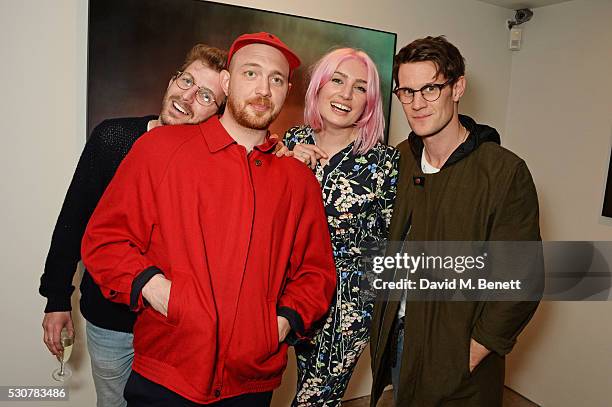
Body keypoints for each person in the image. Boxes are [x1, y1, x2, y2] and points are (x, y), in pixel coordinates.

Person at [81, 32, 336, 407]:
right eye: (251, 73)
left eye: (276, 79)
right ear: (227, 82)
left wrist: (280, 323)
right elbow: (105, 239)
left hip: (250, 382)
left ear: (286, 91)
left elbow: (316, 274)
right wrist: (161, 293)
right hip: (166, 372)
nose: (264, 88)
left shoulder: (298, 181)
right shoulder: (159, 150)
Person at [39, 43, 227, 406]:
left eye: (204, 95)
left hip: (176, 328)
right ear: (172, 79)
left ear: (218, 112)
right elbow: (73, 220)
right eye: (186, 80)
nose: (186, 97)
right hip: (111, 323)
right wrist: (56, 298)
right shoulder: (114, 138)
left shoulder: (213, 165)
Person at [369, 36, 541, 406]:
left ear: (457, 87)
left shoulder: (504, 172)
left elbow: (522, 280)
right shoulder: (400, 161)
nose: (417, 104)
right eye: (406, 92)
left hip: (460, 358)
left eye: (430, 89)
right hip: (401, 343)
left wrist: (470, 354)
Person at [282, 48, 399, 406]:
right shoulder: (288, 143)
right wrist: (284, 166)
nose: (346, 95)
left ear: (370, 102)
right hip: (283, 291)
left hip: (344, 306)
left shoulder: (384, 163)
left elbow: (389, 243)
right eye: (337, 80)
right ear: (318, 86)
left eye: (360, 87)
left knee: (315, 401)